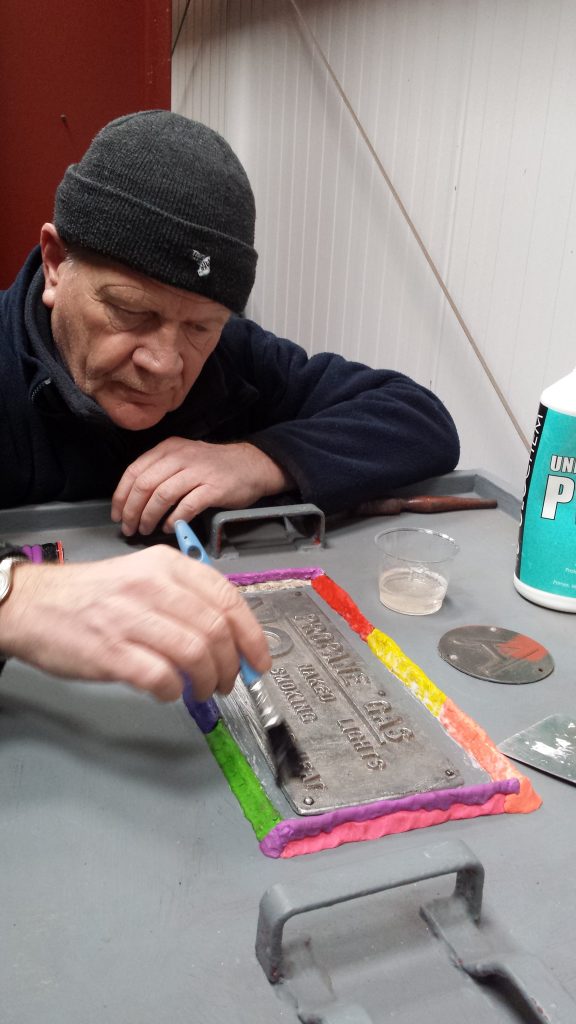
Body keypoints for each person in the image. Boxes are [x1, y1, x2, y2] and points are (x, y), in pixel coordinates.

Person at [0, 110, 459, 702]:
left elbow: (418, 418)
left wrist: (261, 458)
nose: (166, 363)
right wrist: (19, 596)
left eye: (199, 326)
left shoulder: (233, 359)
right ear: (57, 264)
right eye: (132, 312)